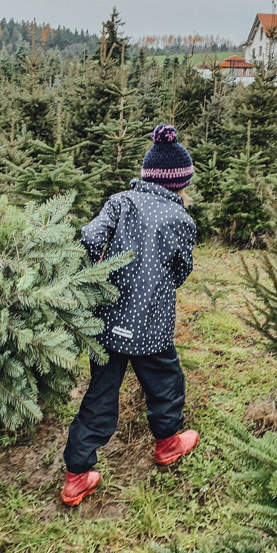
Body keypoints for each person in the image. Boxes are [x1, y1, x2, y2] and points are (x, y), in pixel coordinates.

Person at [61, 124, 199, 506]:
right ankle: (168, 443)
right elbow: (181, 271)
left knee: (100, 393)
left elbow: (88, 239)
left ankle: (76, 475)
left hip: (107, 322)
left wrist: (98, 273)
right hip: (152, 326)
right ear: (179, 183)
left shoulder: (120, 201)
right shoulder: (181, 220)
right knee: (165, 382)